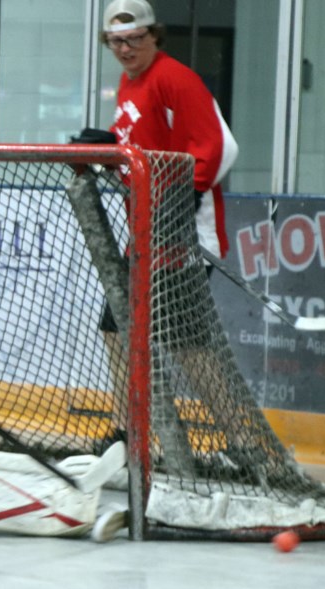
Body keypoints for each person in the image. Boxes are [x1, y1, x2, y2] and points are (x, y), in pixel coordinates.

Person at [72, 0, 239, 471]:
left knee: (189, 346)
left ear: (154, 36)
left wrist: (189, 194)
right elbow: (143, 146)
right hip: (146, 232)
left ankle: (243, 441)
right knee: (116, 328)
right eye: (116, 41)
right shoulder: (131, 82)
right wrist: (109, 147)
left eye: (135, 39)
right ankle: (127, 434)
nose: (125, 49)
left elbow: (222, 146)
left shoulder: (174, 77)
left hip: (182, 235)